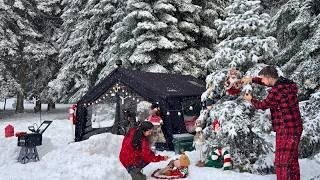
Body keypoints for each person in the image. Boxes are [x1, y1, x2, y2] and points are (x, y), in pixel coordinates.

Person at [242, 65, 303, 180]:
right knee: (292, 160)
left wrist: (250, 99)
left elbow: (263, 105)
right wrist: (251, 79)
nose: (263, 81)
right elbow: (266, 82)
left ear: (269, 77)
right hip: (295, 127)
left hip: (286, 129)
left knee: (282, 162)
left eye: (263, 78)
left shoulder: (276, 91)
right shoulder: (286, 84)